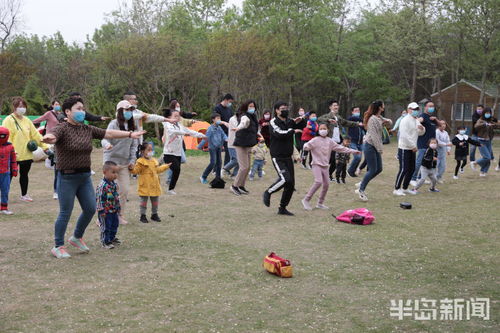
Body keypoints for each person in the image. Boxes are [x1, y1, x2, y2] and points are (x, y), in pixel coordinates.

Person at [42, 97, 145, 259]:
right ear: (67, 112)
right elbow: (53, 135)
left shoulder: (86, 129)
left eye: (83, 108)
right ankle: (58, 245)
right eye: (78, 109)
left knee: (91, 209)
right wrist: (49, 138)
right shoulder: (62, 128)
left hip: (84, 176)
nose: (82, 112)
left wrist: (131, 134)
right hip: (67, 177)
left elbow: (109, 133)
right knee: (65, 212)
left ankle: (76, 237)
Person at [302, 123, 360, 210]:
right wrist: (306, 146)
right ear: (318, 130)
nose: (323, 130)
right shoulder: (315, 140)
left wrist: (353, 151)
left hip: (325, 166)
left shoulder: (330, 141)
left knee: (326, 184)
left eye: (324, 128)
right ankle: (306, 200)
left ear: (328, 130)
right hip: (316, 164)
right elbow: (306, 146)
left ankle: (320, 203)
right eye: (321, 128)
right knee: (318, 182)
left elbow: (341, 148)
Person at [2, 97, 48, 202]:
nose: (22, 109)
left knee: (24, 175)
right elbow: (6, 137)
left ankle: (24, 194)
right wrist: (10, 151)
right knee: (8, 176)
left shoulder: (27, 120)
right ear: (14, 107)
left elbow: (35, 135)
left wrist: (45, 147)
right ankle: (3, 197)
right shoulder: (8, 120)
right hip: (12, 154)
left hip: (26, 154)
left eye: (23, 106)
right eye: (19, 106)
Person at [101, 100, 139, 225]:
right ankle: (102, 217)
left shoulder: (133, 126)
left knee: (124, 190)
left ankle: (119, 215)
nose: (129, 112)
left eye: (130, 110)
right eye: (126, 109)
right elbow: (104, 139)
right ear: (119, 111)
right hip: (111, 162)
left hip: (124, 163)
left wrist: (132, 161)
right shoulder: (113, 124)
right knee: (110, 191)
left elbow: (134, 146)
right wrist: (107, 145)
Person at [262, 101, 303, 216]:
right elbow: (280, 134)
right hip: (277, 156)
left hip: (288, 156)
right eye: (282, 108)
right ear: (276, 110)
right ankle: (268, 192)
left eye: (286, 108)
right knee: (285, 179)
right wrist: (292, 130)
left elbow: (297, 127)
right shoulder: (273, 122)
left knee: (291, 184)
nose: (285, 110)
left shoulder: (290, 121)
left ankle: (282, 208)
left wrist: (298, 122)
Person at [354, 100, 392, 202]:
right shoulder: (372, 119)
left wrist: (385, 122)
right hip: (370, 146)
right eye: (383, 105)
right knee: (372, 169)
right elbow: (374, 135)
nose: (384, 106)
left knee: (379, 169)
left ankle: (362, 183)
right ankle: (361, 191)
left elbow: (389, 122)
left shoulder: (378, 117)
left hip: (374, 146)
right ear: (380, 107)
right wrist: (379, 148)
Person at [162, 108, 205, 194]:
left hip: (177, 152)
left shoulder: (180, 125)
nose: (177, 118)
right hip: (169, 152)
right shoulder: (167, 124)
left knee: (177, 171)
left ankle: (170, 189)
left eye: (178, 116)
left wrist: (202, 135)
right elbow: (172, 131)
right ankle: (160, 164)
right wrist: (184, 133)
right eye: (175, 116)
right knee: (176, 168)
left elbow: (190, 131)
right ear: (169, 117)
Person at [318, 100, 361, 181]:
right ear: (330, 107)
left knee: (335, 161)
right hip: (329, 141)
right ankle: (323, 174)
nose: (336, 107)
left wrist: (357, 124)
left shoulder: (339, 117)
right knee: (329, 160)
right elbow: (319, 119)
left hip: (338, 142)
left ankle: (329, 175)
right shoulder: (327, 116)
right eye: (334, 105)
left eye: (337, 105)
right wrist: (328, 120)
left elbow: (347, 122)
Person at [131, 142, 171, 223]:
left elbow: (158, 170)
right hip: (145, 185)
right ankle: (143, 215)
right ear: (142, 151)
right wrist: (131, 168)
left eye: (151, 149)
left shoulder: (154, 160)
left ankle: (154, 214)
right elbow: (136, 171)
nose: (150, 151)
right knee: (143, 202)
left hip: (154, 184)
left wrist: (166, 166)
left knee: (155, 201)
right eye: (148, 150)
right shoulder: (140, 161)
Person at [393, 102, 425, 196]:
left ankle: (405, 188)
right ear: (408, 110)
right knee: (404, 168)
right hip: (404, 148)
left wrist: (422, 129)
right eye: (414, 109)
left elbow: (420, 133)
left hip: (412, 148)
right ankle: (396, 188)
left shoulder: (416, 120)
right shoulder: (405, 120)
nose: (415, 111)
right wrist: (413, 146)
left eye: (417, 109)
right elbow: (404, 135)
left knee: (412, 168)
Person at [231, 100, 260, 196]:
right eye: (250, 106)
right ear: (246, 107)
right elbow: (244, 122)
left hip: (249, 144)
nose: (252, 108)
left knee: (247, 167)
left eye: (253, 106)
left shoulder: (253, 116)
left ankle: (241, 186)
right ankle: (234, 186)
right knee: (243, 167)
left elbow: (254, 129)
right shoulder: (244, 115)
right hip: (240, 144)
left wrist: (259, 135)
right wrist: (238, 128)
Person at [410, 101, 439, 184]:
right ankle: (413, 178)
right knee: (419, 161)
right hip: (423, 143)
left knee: (425, 162)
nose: (431, 108)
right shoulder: (423, 116)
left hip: (431, 145)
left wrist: (435, 119)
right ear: (425, 107)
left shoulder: (432, 118)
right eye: (429, 106)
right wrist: (417, 121)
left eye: (432, 106)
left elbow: (440, 125)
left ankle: (420, 178)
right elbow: (419, 120)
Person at [96, 161, 121, 249]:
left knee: (114, 225)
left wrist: (118, 208)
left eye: (116, 172)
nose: (115, 175)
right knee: (106, 226)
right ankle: (105, 241)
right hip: (105, 211)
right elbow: (99, 199)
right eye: (113, 172)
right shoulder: (102, 186)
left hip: (114, 210)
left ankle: (111, 238)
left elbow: (116, 197)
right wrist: (101, 210)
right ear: (105, 172)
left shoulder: (114, 184)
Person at [198, 113, 228, 184]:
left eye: (219, 118)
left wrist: (227, 139)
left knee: (219, 163)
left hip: (219, 147)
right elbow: (206, 138)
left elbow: (223, 135)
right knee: (213, 163)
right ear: (213, 120)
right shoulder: (210, 128)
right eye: (217, 118)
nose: (219, 120)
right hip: (212, 148)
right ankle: (203, 177)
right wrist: (199, 146)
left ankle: (218, 178)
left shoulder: (219, 128)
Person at [472, 107, 499, 176]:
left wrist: (496, 124)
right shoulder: (480, 120)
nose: (488, 114)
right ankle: (475, 163)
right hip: (481, 141)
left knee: (488, 158)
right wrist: (485, 124)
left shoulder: (490, 120)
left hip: (488, 141)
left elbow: (496, 126)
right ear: (484, 113)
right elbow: (476, 126)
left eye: (489, 113)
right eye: (487, 113)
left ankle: (483, 172)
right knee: (487, 157)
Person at [0, 127, 18, 215]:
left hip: (5, 173)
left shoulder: (10, 146)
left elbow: (13, 159)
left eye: (2, 136)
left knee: (5, 190)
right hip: (5, 172)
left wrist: (14, 169)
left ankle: (4, 207)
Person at [213, 94, 234, 166]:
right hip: (218, 133)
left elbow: (232, 119)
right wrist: (224, 123)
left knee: (228, 151)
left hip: (228, 134)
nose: (230, 104)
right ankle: (216, 169)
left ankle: (226, 168)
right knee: (218, 151)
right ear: (225, 100)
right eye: (229, 102)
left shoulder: (229, 109)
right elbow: (216, 120)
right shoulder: (217, 108)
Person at [346, 107, 365, 177]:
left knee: (359, 158)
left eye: (358, 110)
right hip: (352, 141)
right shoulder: (351, 119)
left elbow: (364, 128)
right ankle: (350, 171)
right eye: (355, 111)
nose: (357, 111)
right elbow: (349, 120)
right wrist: (361, 121)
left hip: (360, 142)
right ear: (352, 112)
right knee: (357, 157)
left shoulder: (360, 121)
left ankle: (351, 170)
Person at [222, 112, 239, 178]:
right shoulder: (232, 119)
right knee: (235, 160)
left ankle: (234, 174)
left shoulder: (242, 119)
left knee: (240, 160)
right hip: (232, 143)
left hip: (240, 143)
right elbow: (237, 128)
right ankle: (224, 169)